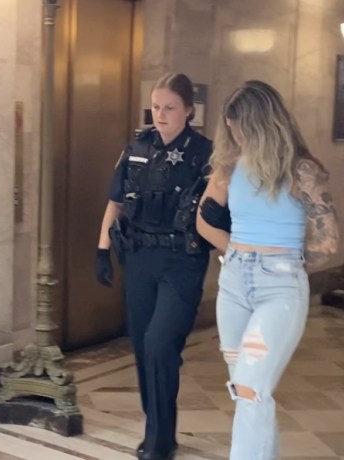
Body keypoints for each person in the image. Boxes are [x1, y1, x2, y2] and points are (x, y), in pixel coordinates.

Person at [197, 80, 339, 460]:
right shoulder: (228, 169)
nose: (233, 134)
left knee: (250, 388)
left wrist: (286, 264)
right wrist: (240, 252)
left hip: (278, 288)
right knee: (248, 390)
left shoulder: (301, 171)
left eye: (238, 126)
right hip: (233, 285)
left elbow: (328, 242)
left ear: (260, 123)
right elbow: (204, 222)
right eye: (229, 127)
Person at [95, 73, 213, 460]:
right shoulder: (138, 146)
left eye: (170, 107)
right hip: (141, 257)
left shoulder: (204, 154)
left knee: (162, 344)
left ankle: (160, 441)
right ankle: (158, 430)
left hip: (183, 260)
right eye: (156, 107)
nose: (161, 115)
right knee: (144, 346)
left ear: (189, 111)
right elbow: (116, 200)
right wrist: (102, 248)